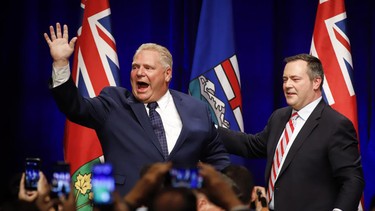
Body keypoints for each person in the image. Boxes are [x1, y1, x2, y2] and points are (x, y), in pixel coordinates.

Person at [44, 23, 230, 196]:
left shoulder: (196, 109)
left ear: (167, 74)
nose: (139, 73)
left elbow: (218, 159)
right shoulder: (114, 103)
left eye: (148, 68)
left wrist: (204, 193)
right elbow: (75, 108)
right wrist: (60, 64)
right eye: (135, 67)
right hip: (128, 203)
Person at [218, 54, 364, 211]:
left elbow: (352, 179)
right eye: (285, 79)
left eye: (295, 79)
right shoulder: (279, 117)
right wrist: (209, 129)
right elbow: (252, 146)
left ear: (316, 82)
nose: (287, 85)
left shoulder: (336, 125)